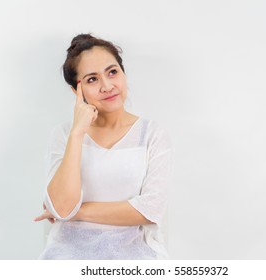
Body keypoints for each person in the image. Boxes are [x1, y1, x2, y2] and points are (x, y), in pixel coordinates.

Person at [34, 33, 173, 260]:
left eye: (112, 72)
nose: (107, 86)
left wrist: (74, 213)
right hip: (67, 253)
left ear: (123, 73)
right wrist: (78, 133)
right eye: (92, 79)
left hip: (135, 253)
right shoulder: (63, 135)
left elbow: (151, 209)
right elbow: (61, 206)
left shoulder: (152, 134)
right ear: (76, 92)